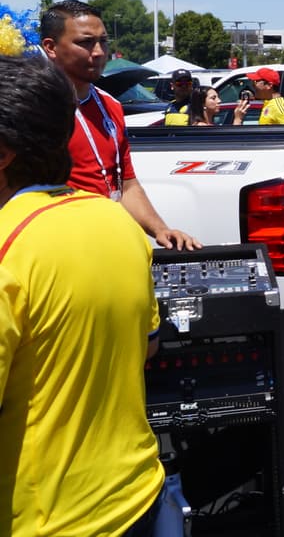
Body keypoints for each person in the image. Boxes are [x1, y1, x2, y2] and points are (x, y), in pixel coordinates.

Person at [0, 54, 166, 536]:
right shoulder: (115, 220)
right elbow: (148, 346)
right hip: (139, 494)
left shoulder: (7, 246)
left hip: (46, 518)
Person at [40, 0, 199, 250]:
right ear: (51, 47)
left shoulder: (111, 106)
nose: (98, 52)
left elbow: (126, 186)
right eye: (85, 42)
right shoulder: (32, 108)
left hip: (109, 243)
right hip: (57, 248)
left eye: (103, 41)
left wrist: (161, 230)